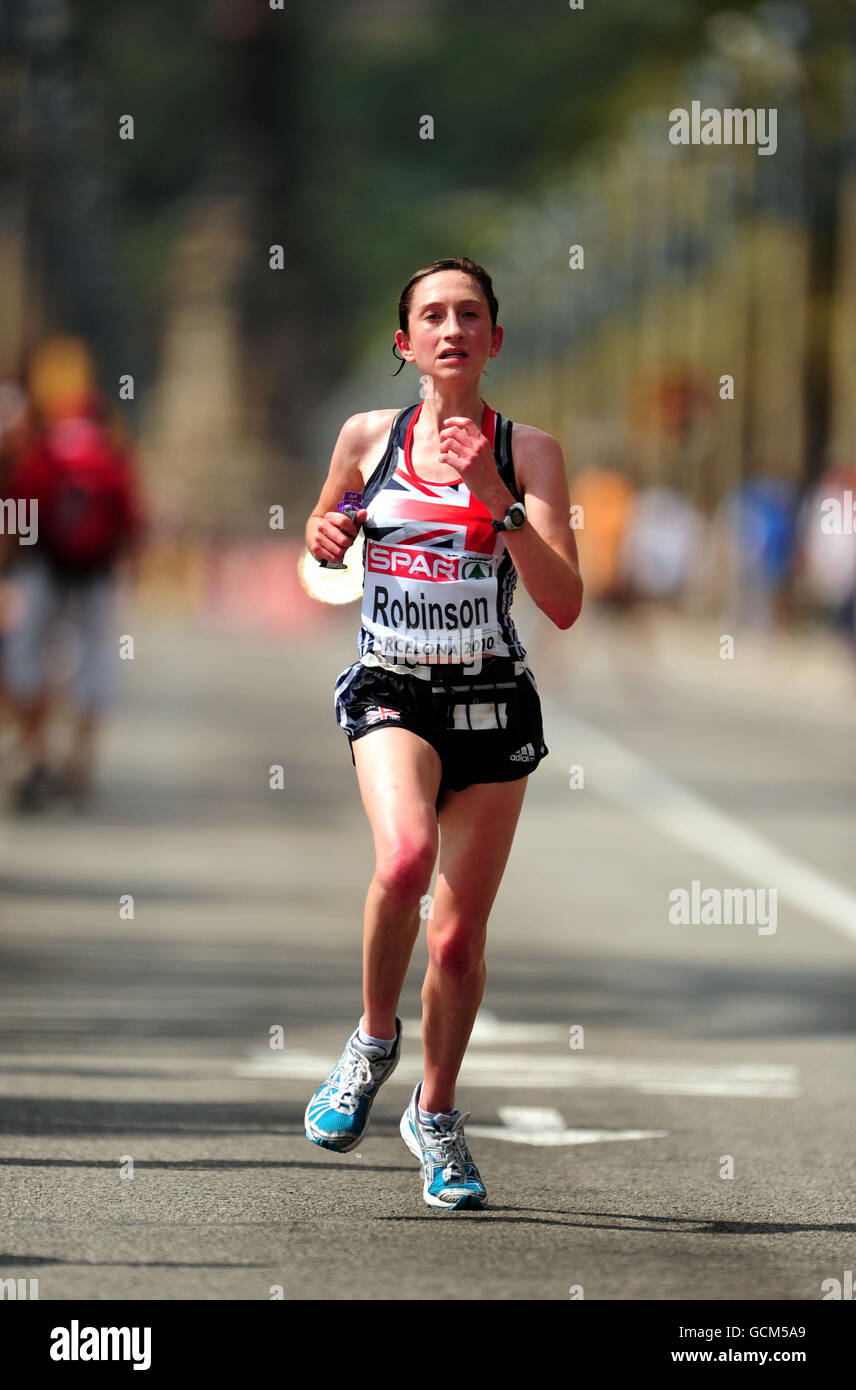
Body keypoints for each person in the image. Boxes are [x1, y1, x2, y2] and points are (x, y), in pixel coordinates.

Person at [303, 257, 583, 1210]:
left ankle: (437, 1114)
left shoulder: (529, 450)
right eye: (433, 315)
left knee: (459, 944)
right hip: (392, 686)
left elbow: (566, 601)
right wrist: (323, 536)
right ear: (406, 343)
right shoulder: (367, 436)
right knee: (403, 860)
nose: (452, 328)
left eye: (471, 314)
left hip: (495, 701)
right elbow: (329, 521)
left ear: (495, 340)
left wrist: (497, 499)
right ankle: (373, 1040)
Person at [0, 389, 144, 811]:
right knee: (94, 660)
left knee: (29, 657)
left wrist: (14, 564)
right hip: (95, 575)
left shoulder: (44, 454)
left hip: (42, 570)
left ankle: (33, 752)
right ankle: (79, 761)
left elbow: (17, 509)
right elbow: (130, 521)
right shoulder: (111, 457)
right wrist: (125, 570)